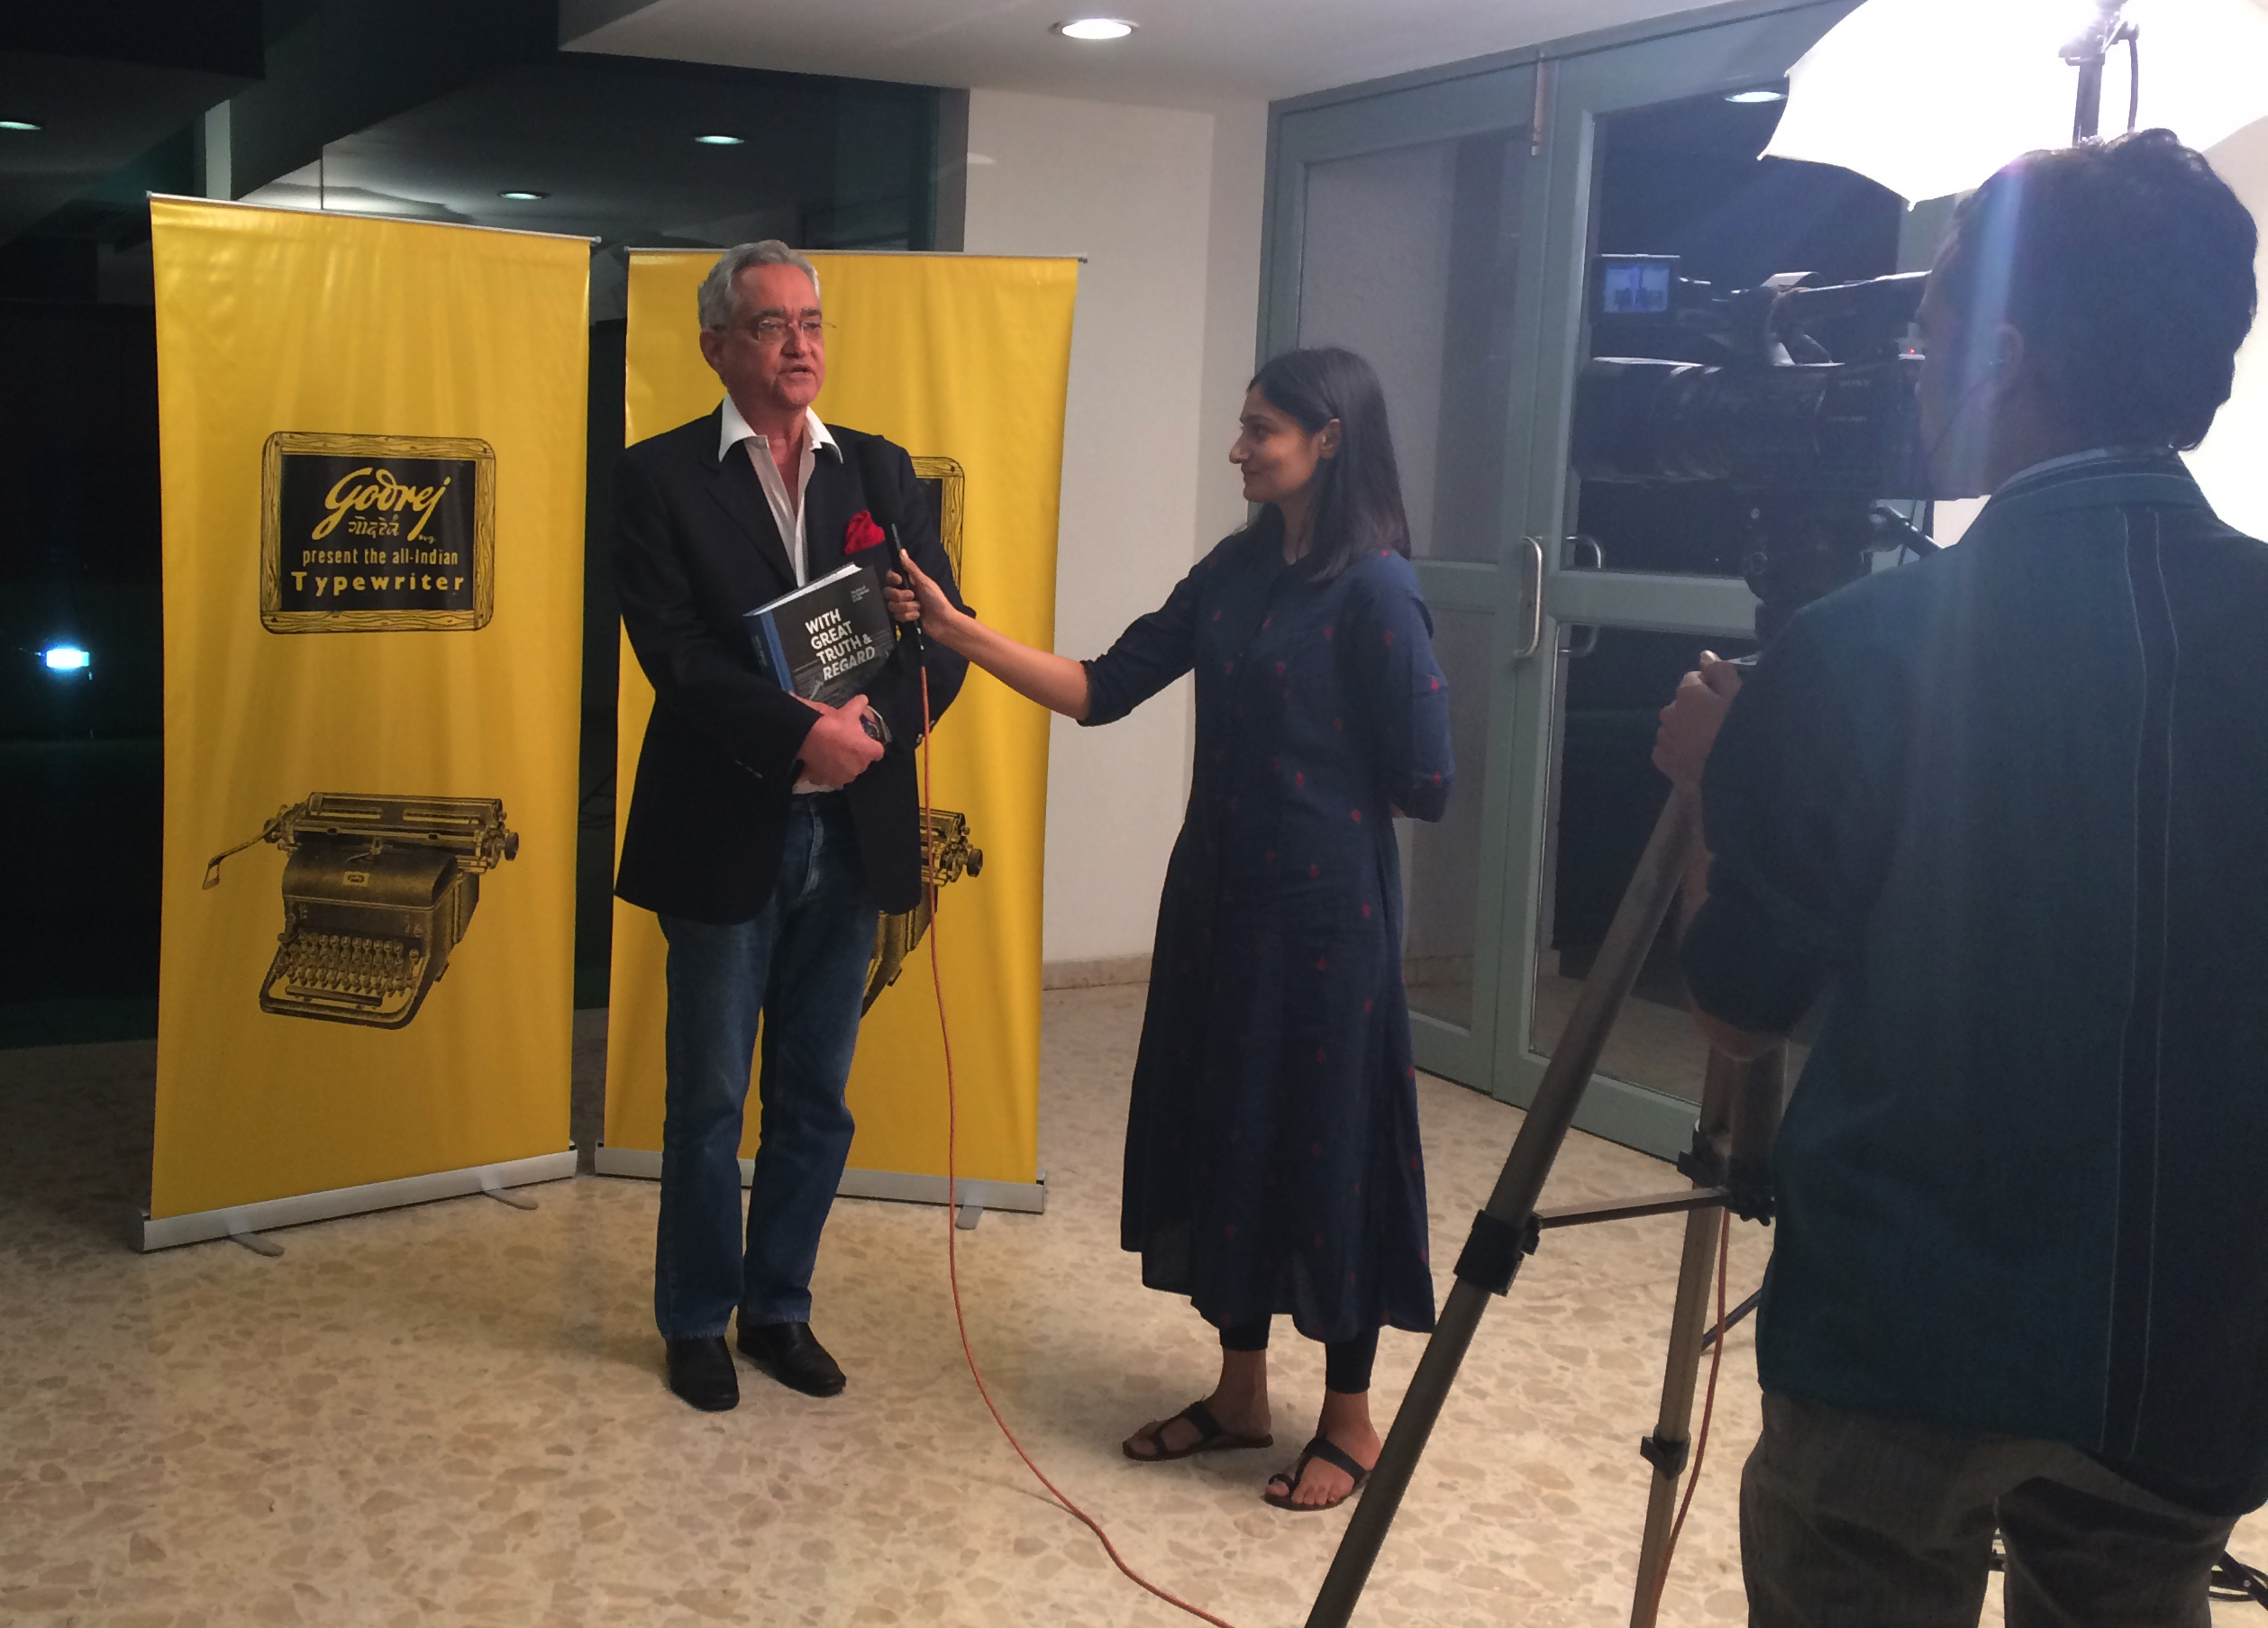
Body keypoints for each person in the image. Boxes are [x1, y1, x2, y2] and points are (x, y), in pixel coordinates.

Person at [1653, 131, 2268, 1623]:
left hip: (1897, 1347)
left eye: (1926, 337)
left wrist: (1715, 789)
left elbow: (1737, 1010)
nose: (1910, 378)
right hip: (2194, 1351)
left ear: (1998, 357)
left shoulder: (1864, 650)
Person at [887, 346, 1453, 1510]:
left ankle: (1350, 1419)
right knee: (1230, 1124)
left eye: (1260, 431)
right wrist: (957, 632)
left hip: (1326, 923)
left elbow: (1427, 781)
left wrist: (1315, 801)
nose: (1238, 449)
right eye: (1241, 427)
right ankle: (1240, 1395)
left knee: (1326, 1141)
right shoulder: (1234, 571)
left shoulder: (1379, 589)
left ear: (1328, 440)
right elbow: (1102, 689)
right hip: (1216, 903)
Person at [613, 240, 970, 1413]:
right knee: (710, 1100)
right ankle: (695, 1321)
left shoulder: (879, 471)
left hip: (853, 832)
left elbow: (941, 633)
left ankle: (778, 1309)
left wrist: (875, 728)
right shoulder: (659, 478)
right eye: (771, 326)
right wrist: (797, 734)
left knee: (815, 1097)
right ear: (716, 346)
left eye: (811, 322)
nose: (799, 345)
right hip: (724, 825)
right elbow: (675, 655)